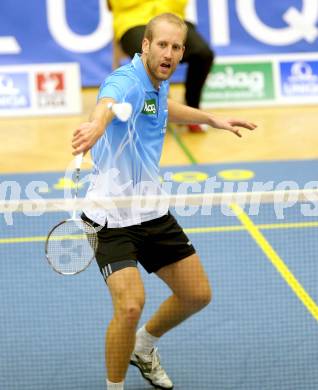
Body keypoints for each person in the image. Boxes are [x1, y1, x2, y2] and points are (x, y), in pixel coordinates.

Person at [72, 13, 257, 390]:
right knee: (129, 305)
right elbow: (110, 101)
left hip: (152, 213)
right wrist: (95, 125)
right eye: (162, 45)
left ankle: (144, 345)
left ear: (181, 52)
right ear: (145, 46)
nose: (168, 53)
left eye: (175, 47)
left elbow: (164, 106)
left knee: (196, 295)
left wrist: (210, 119)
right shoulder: (126, 80)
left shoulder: (156, 82)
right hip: (110, 220)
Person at [106, 0, 215, 133]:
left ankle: (192, 108)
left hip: (172, 21)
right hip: (134, 22)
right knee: (149, 54)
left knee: (203, 54)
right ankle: (152, 109)